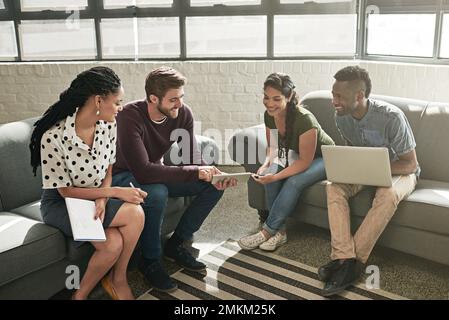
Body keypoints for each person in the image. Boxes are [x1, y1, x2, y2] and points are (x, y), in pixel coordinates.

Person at [111, 66, 235, 293]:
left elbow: (190, 157)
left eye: (181, 97)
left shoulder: (183, 113)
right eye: (173, 100)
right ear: (153, 98)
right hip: (122, 176)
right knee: (157, 192)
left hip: (153, 171)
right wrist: (195, 172)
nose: (179, 104)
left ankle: (177, 244)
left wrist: (209, 173)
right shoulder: (130, 116)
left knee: (213, 187)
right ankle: (150, 260)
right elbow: (143, 172)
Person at [29, 66, 147, 300]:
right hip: (61, 203)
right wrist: (114, 193)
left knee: (113, 244)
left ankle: (103, 285)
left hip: (94, 196)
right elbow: (64, 191)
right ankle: (99, 288)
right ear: (98, 101)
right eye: (116, 102)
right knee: (134, 214)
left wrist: (103, 197)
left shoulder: (109, 125)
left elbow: (108, 170)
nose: (120, 107)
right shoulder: (53, 137)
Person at [319, 66, 419, 296]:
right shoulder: (341, 118)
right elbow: (354, 152)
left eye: (338, 96)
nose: (334, 101)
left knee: (387, 194)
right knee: (334, 187)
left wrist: (378, 169)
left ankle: (352, 265)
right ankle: (344, 256)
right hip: (365, 170)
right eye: (333, 94)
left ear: (359, 96)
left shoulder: (391, 117)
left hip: (401, 172)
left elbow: (411, 164)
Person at [238, 72, 335, 252]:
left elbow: (305, 162)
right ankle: (280, 233)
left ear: (289, 97)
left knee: (293, 181)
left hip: (325, 158)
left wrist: (276, 178)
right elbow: (273, 148)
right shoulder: (270, 115)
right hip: (298, 155)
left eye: (276, 98)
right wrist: (266, 165)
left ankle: (266, 232)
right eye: (266, 98)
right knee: (269, 173)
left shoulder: (304, 119)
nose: (270, 103)